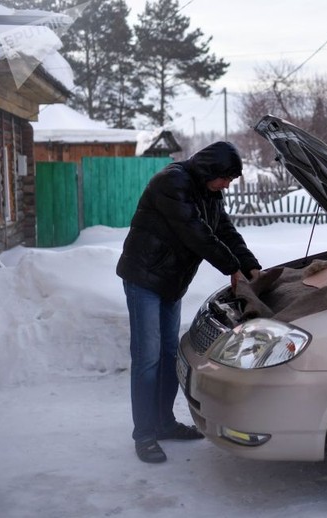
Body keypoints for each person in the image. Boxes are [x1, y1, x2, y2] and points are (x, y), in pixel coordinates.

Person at [116, 141, 261, 463]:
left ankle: (164, 423)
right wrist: (231, 268)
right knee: (147, 357)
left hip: (171, 282)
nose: (227, 185)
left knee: (170, 354)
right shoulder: (172, 182)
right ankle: (144, 434)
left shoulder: (209, 192)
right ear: (211, 170)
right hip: (144, 279)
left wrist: (250, 265)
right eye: (226, 178)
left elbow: (224, 230)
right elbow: (196, 233)